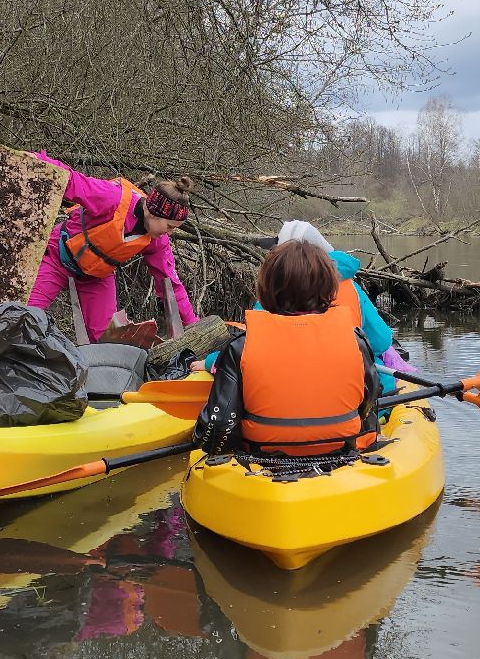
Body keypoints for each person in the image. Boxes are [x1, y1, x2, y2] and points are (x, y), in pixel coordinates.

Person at [195, 240, 382, 457]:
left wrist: (199, 436)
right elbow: (368, 402)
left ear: (267, 288)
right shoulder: (356, 341)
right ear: (330, 288)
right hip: (341, 448)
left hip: (261, 456)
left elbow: (219, 427)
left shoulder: (240, 347)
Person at [28, 152, 199, 341]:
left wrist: (194, 325)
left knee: (106, 340)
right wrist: (38, 161)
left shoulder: (158, 241)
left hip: (97, 277)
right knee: (25, 316)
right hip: (58, 257)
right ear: (153, 212)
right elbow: (73, 181)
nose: (170, 233)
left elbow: (169, 285)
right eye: (169, 226)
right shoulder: (112, 198)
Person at [272, 220, 417, 386]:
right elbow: (381, 341)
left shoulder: (272, 291)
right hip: (351, 391)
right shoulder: (350, 288)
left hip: (284, 387)